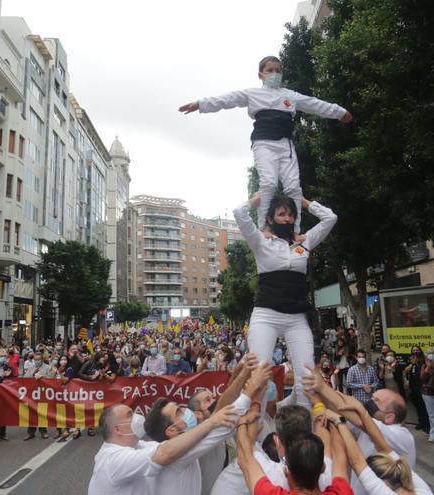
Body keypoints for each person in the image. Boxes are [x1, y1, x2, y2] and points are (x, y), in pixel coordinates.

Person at [180, 55, 351, 235]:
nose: (274, 74)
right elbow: (227, 99)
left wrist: (340, 112)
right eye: (270, 70)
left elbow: (315, 104)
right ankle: (265, 228)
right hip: (263, 143)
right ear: (261, 74)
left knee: (293, 187)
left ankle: (295, 231)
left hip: (286, 145)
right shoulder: (253, 93)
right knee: (268, 183)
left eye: (278, 70)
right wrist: (200, 104)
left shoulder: (290, 95)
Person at [234, 193, 337, 407]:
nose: (287, 219)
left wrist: (305, 203)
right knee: (259, 378)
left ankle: (303, 431)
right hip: (266, 316)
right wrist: (258, 199)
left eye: (291, 214)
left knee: (306, 380)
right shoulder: (260, 241)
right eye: (282, 214)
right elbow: (239, 213)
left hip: (297, 318)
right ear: (270, 219)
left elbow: (330, 218)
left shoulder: (304, 242)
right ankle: (257, 435)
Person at [143, 362, 269, 495]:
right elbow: (224, 419)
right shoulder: (176, 454)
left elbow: (220, 410)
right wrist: (252, 389)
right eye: (179, 412)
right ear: (171, 430)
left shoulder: (192, 438)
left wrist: (242, 375)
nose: (185, 410)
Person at [87, 402, 239, 495]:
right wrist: (211, 422)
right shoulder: (113, 460)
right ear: (118, 429)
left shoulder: (137, 446)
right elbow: (164, 453)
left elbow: (166, 445)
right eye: (129, 415)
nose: (138, 417)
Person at [235, 404, 353, 495]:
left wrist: (242, 423)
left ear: (286, 472)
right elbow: (340, 456)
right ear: (323, 467)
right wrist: (334, 422)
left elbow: (245, 459)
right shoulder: (341, 492)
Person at [23, 352, 51, 440]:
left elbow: (52, 379)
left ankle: (43, 432)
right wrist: (32, 375)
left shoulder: (48, 367)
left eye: (39, 359)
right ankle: (31, 432)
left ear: (42, 360)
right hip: (33, 394)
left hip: (43, 393)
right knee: (31, 413)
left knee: (42, 413)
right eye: (35, 360)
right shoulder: (31, 368)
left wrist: (43, 377)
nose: (37, 361)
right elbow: (24, 378)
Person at [404, 347, 429, 432]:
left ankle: (427, 424)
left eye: (417, 350)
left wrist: (417, 363)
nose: (415, 352)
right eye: (413, 350)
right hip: (413, 386)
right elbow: (406, 371)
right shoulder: (411, 361)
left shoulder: (424, 361)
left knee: (423, 406)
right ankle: (421, 422)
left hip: (421, 386)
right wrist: (413, 363)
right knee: (418, 406)